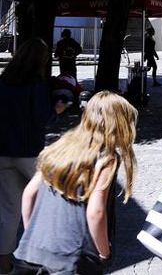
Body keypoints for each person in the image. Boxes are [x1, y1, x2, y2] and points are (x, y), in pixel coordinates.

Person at [14, 92, 137, 275]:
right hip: (73, 258)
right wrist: (104, 253)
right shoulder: (106, 158)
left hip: (35, 251)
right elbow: (96, 212)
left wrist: (32, 236)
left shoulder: (61, 146)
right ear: (119, 124)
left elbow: (29, 194)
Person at [0, 40, 67, 274]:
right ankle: (45, 260)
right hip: (29, 153)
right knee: (48, 204)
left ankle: (4, 265)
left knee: (9, 211)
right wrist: (56, 111)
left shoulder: (3, 80)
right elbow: (41, 117)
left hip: (3, 152)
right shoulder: (36, 83)